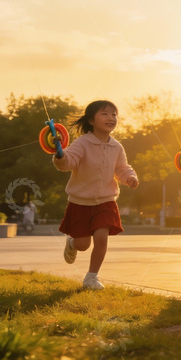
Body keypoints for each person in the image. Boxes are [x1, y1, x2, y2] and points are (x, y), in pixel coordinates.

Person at [53, 100, 139, 290]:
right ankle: (72, 242)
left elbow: (122, 169)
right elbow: (68, 162)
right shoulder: (82, 142)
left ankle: (91, 277)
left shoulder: (117, 147)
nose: (111, 118)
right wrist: (60, 155)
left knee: (102, 237)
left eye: (114, 114)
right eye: (104, 114)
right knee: (83, 244)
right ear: (91, 120)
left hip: (106, 201)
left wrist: (130, 177)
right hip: (80, 202)